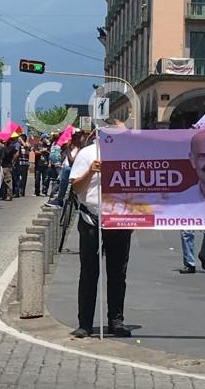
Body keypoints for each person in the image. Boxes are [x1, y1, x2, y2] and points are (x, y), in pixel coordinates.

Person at [70, 126, 132, 338]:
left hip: (119, 220)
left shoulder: (128, 155)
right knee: (89, 272)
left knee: (117, 272)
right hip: (92, 219)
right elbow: (76, 188)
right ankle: (85, 322)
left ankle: (116, 320)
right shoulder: (86, 154)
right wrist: (91, 171)